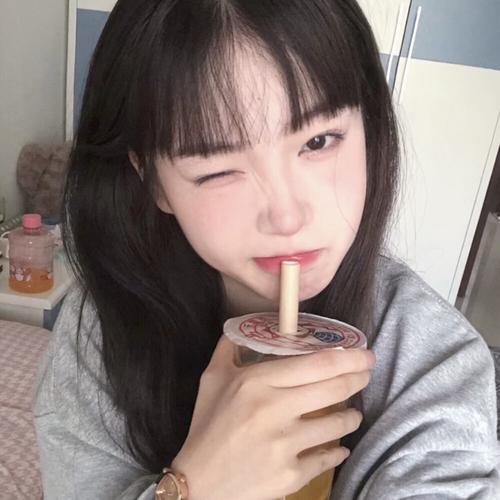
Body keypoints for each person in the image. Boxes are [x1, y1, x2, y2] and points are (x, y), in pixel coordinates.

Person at [33, 0, 500, 499]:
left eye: (319, 141)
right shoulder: (101, 329)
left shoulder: (436, 363)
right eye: (217, 170)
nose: (287, 217)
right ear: (155, 183)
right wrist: (197, 487)